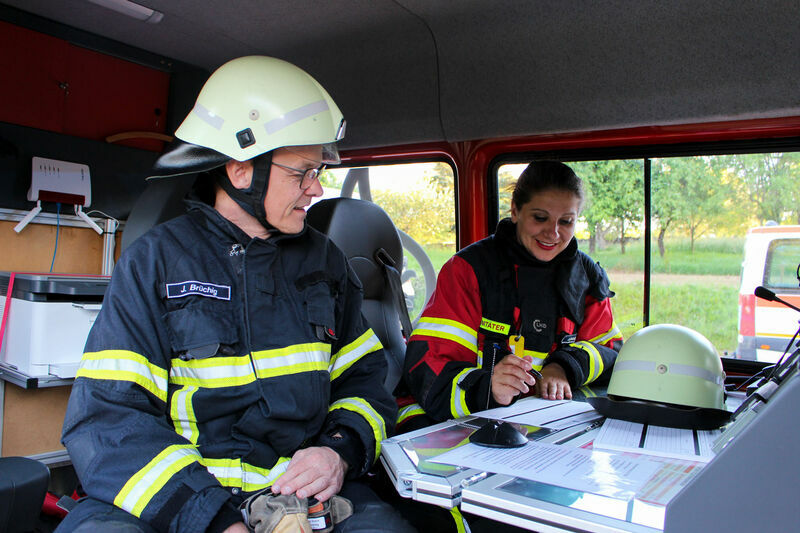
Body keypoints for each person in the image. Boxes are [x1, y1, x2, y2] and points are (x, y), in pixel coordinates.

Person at [56, 56, 415, 533]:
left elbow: (364, 381)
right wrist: (213, 519)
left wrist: (338, 450)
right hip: (185, 501)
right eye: (302, 173)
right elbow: (108, 420)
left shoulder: (325, 262)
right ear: (242, 171)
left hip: (307, 499)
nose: (316, 189)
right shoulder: (155, 262)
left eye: (318, 171)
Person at [398, 160, 623, 431]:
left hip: (550, 426)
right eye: (540, 218)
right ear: (515, 211)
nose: (553, 233)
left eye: (566, 221)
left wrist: (564, 367)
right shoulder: (469, 270)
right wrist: (488, 387)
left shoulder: (586, 277)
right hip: (466, 421)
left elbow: (610, 351)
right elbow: (428, 364)